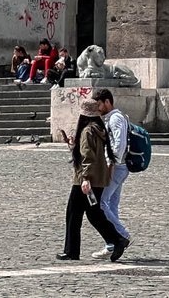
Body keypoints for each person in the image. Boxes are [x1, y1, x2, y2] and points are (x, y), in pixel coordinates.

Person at [56, 98, 127, 262]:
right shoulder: (98, 129)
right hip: (98, 178)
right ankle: (117, 239)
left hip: (86, 179)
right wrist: (74, 145)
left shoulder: (87, 131)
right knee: (94, 214)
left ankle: (72, 251)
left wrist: (85, 178)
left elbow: (88, 156)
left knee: (73, 213)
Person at [90, 88, 131, 259]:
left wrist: (111, 164)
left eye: (99, 104)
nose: (98, 108)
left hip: (117, 167)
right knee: (112, 205)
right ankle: (112, 244)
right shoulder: (110, 118)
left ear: (107, 102)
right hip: (119, 166)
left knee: (101, 204)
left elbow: (119, 145)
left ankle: (122, 236)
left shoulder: (116, 118)